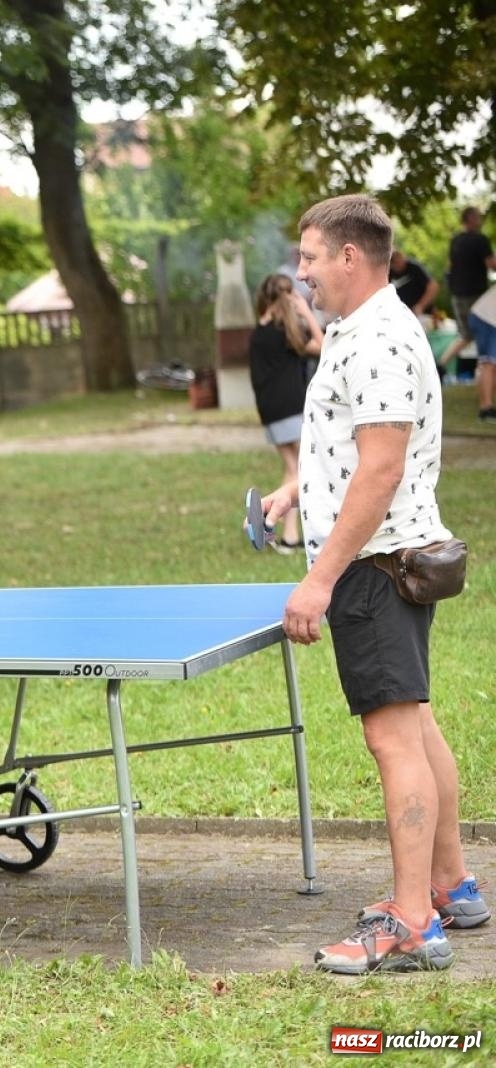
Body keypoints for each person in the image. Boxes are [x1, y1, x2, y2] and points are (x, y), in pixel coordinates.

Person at [262, 193, 484, 975]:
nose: (302, 271)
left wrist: (319, 579)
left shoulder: (380, 338)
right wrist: (298, 489)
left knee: (393, 740)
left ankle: (413, 920)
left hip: (375, 566)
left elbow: (383, 469)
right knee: (415, 725)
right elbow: (360, 446)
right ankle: (451, 886)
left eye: (310, 256)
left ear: (349, 256)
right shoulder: (366, 328)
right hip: (394, 557)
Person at [248, 274, 322, 555]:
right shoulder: (286, 332)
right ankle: (280, 529)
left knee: (293, 468)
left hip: (269, 410)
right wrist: (307, 313)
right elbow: (324, 347)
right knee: (298, 470)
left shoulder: (258, 331)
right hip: (291, 407)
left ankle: (285, 532)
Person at [436, 206, 496, 372]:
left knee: (466, 335)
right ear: (470, 218)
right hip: (476, 296)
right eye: (478, 216)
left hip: (457, 295)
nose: (481, 220)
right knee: (486, 332)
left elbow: (450, 267)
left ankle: (441, 365)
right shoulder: (480, 239)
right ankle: (485, 371)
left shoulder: (455, 240)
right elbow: (492, 265)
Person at [460, 283, 496, 423]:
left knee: (491, 365)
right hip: (485, 319)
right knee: (488, 363)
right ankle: (485, 410)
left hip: (488, 318)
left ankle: (488, 405)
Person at [387, 249, 439, 318]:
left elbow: (433, 285)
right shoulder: (388, 274)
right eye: (397, 262)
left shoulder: (413, 267)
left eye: (401, 259)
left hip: (424, 313)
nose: (401, 263)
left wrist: (421, 306)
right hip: (403, 315)